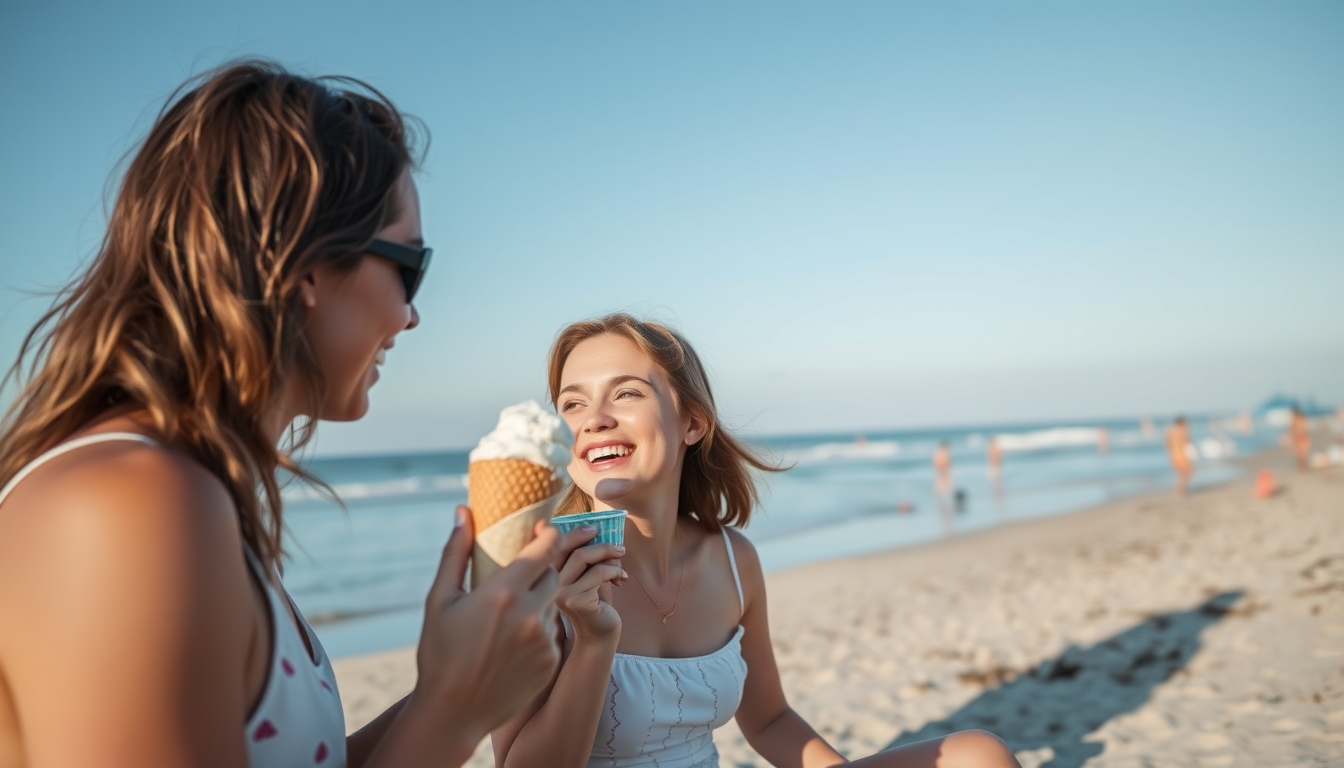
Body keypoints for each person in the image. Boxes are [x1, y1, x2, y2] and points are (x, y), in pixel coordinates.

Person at [0, 61, 572, 767]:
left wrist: (457, 685)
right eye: (409, 268)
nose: (412, 315)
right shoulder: (129, 507)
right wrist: (453, 715)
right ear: (299, 264)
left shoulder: (193, 498)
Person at [492, 314, 1019, 768]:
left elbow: (768, 719)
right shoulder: (534, 573)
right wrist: (592, 641)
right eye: (573, 404)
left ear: (692, 421)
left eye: (626, 393)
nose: (595, 421)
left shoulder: (732, 559)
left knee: (978, 753)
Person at [1165, 416, 1193, 496]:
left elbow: (1167, 444)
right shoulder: (1182, 431)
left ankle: (1179, 490)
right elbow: (1187, 442)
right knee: (1187, 473)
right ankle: (1179, 490)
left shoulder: (1170, 431)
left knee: (1182, 474)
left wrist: (1169, 456)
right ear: (1182, 423)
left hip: (1174, 455)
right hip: (1182, 455)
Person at [1289, 406, 1312, 470]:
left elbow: (1305, 428)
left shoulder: (1300, 419)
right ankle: (1301, 466)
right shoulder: (1294, 420)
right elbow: (1291, 429)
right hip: (1297, 438)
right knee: (1299, 454)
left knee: (1302, 454)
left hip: (1302, 438)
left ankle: (1303, 466)